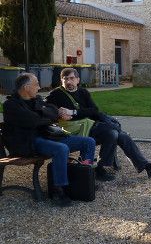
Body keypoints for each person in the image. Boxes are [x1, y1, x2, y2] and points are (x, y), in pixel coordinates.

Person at [45, 68, 151, 181]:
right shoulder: (57, 94)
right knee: (115, 129)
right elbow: (44, 106)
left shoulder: (83, 92)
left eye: (71, 78)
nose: (68, 81)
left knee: (114, 134)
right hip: (75, 130)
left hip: (90, 126)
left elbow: (94, 110)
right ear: (61, 81)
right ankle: (103, 166)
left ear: (78, 80)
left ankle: (146, 167)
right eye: (65, 79)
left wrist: (74, 112)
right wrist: (58, 112)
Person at [3, 73, 96, 207]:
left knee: (88, 142)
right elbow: (33, 121)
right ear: (26, 87)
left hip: (47, 137)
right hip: (29, 143)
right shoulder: (11, 105)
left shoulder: (36, 100)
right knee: (61, 149)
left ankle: (84, 180)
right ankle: (59, 190)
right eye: (36, 85)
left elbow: (53, 111)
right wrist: (44, 114)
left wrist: (43, 115)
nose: (39, 87)